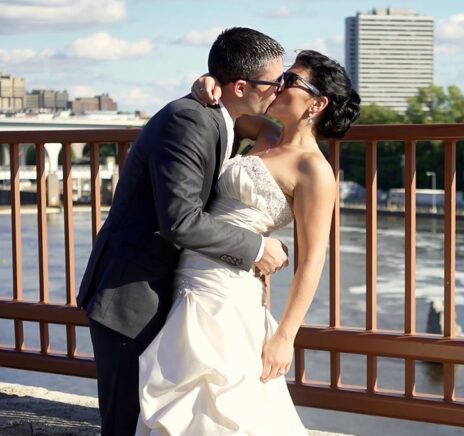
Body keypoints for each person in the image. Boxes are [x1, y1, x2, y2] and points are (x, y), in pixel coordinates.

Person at [76, 27, 291, 436]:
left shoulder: (221, 117)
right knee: (125, 425)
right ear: (241, 86)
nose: (279, 90)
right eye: (273, 82)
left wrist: (209, 80)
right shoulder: (189, 121)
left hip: (174, 295)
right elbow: (179, 220)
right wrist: (255, 247)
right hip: (131, 298)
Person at [136, 49, 361, 435]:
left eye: (291, 80)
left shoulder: (315, 171)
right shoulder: (263, 131)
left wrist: (284, 337)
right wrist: (205, 84)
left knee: (223, 404)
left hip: (227, 291)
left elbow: (312, 262)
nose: (279, 84)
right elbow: (226, 106)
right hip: (186, 275)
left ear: (317, 104)